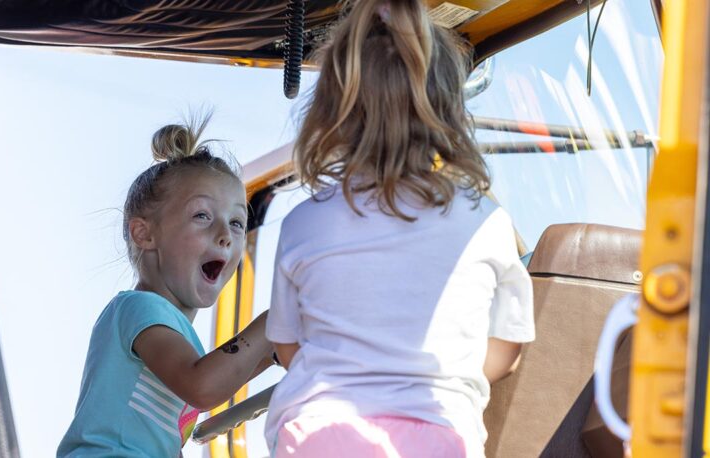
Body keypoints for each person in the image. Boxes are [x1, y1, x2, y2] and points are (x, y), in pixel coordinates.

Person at [264, 1, 535, 456]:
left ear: (331, 115)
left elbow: (288, 348)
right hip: (439, 438)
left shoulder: (302, 224)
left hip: (318, 437)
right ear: (450, 112)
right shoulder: (487, 223)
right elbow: (506, 352)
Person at [58, 117, 274, 457]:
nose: (225, 235)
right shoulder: (138, 309)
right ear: (145, 234)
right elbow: (202, 387)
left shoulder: (179, 341)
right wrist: (269, 324)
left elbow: (212, 379)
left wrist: (268, 355)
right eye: (202, 216)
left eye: (236, 223)